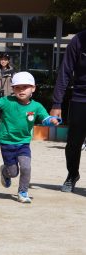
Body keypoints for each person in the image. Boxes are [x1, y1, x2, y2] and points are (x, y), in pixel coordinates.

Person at [0, 72, 61, 203]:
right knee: (13, 172)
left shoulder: (36, 106)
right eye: (17, 87)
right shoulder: (7, 101)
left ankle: (23, 192)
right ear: (13, 89)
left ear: (33, 88)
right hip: (7, 143)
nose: (21, 90)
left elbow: (45, 119)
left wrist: (51, 120)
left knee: (26, 167)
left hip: (23, 143)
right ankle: (5, 171)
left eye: (25, 87)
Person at [50, 30, 86, 193]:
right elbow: (65, 72)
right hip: (80, 98)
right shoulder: (78, 41)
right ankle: (72, 174)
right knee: (73, 143)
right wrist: (57, 103)